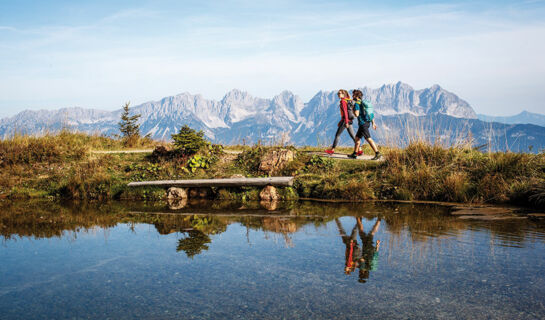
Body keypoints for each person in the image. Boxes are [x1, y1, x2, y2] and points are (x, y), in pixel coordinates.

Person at [348, 90, 381, 160]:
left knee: (368, 138)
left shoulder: (357, 104)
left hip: (363, 124)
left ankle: (377, 153)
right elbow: (370, 114)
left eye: (353, 95)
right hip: (367, 122)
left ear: (356, 96)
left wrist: (352, 108)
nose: (352, 96)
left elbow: (356, 114)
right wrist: (373, 123)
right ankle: (354, 154)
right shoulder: (363, 103)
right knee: (357, 138)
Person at [325, 89, 356, 155]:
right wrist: (342, 120)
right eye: (338, 93)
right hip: (349, 120)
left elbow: (345, 112)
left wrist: (346, 122)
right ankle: (359, 149)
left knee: (337, 135)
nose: (338, 95)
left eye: (340, 93)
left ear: (343, 94)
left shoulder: (343, 101)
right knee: (353, 135)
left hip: (346, 120)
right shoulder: (348, 100)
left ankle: (332, 150)